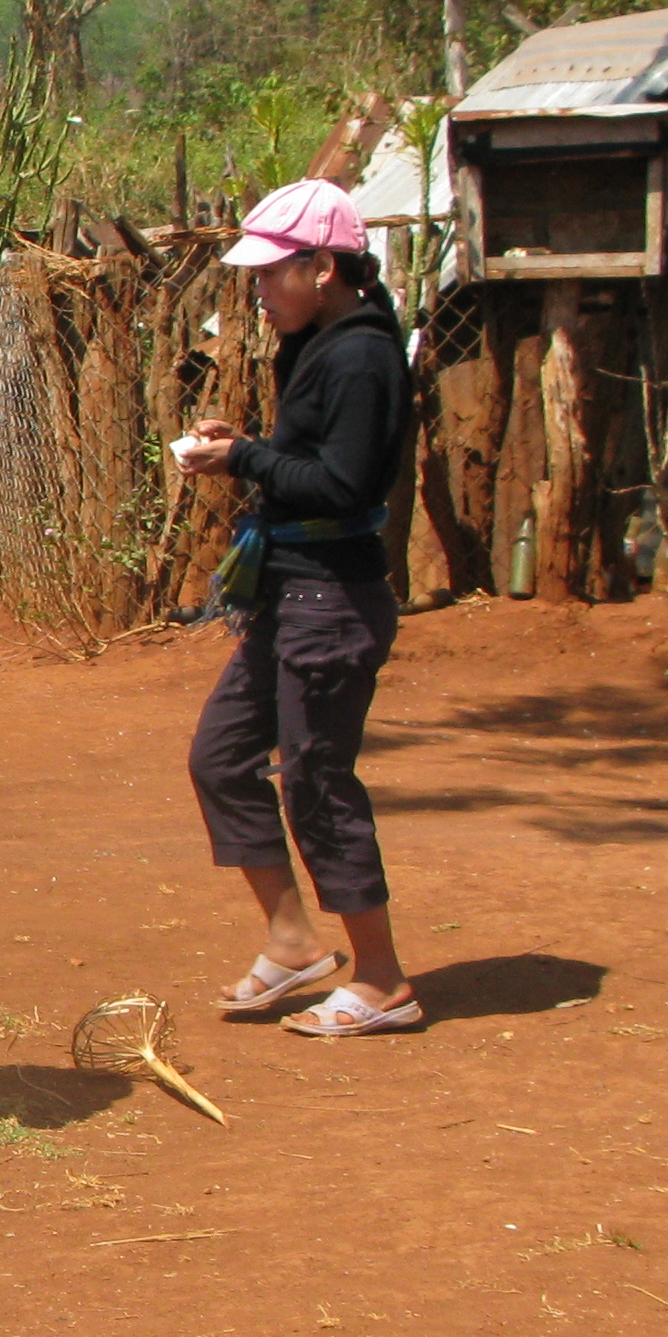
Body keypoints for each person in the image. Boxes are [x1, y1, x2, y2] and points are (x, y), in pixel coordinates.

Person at [173, 179, 422, 1036]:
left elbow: (347, 483)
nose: (258, 290)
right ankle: (292, 941)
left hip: (332, 600)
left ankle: (383, 979)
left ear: (322, 268)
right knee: (221, 757)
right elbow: (311, 459)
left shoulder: (360, 355)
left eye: (272, 273)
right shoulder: (323, 346)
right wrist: (250, 448)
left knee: (316, 780)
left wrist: (244, 458)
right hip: (291, 594)